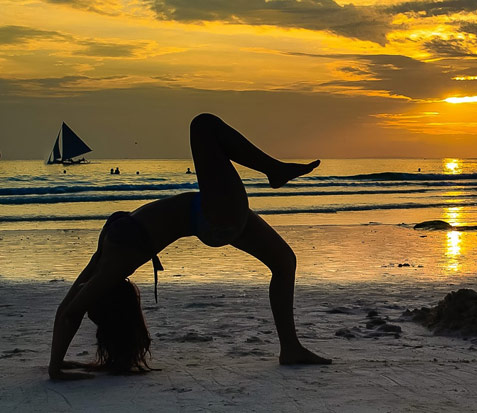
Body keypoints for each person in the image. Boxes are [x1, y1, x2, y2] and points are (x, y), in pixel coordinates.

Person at [48, 114, 330, 380]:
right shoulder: (114, 263)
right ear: (104, 295)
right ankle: (275, 170)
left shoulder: (104, 259)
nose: (85, 292)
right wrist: (54, 370)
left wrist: (57, 362)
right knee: (203, 125)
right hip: (213, 215)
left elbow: (65, 308)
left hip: (208, 214)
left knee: (284, 262)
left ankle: (290, 348)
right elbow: (73, 312)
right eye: (91, 296)